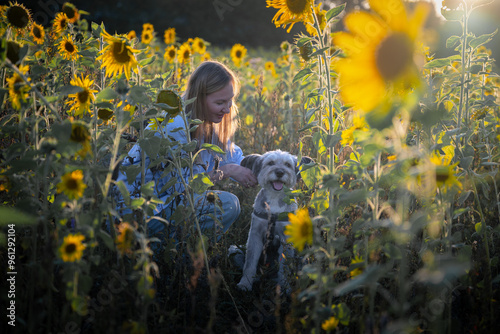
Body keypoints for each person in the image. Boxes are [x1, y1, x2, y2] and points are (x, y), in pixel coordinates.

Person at [114, 60, 257, 242]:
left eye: (230, 100)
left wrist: (269, 165)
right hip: (138, 215)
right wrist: (226, 171)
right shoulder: (175, 127)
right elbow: (183, 189)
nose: (228, 109)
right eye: (220, 102)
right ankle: (173, 256)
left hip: (164, 207)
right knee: (226, 204)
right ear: (199, 98)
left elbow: (236, 157)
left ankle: (183, 255)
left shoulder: (207, 121)